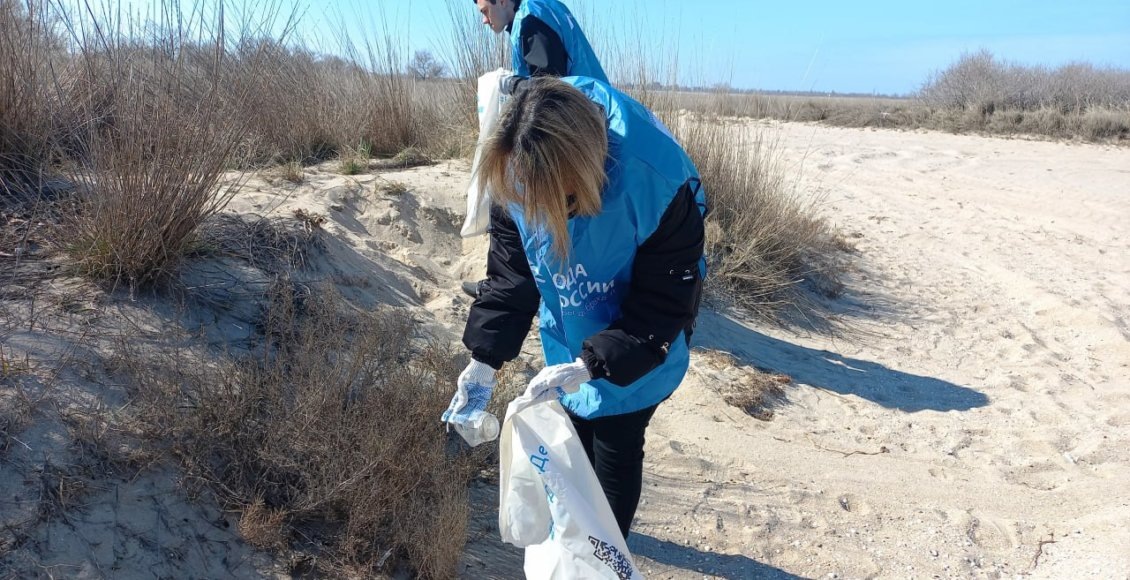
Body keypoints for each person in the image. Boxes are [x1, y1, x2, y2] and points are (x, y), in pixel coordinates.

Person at [443, 76, 707, 539]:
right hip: (570, 324)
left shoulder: (654, 181)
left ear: (584, 174)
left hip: (641, 343)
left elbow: (664, 306)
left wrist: (595, 362)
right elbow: (513, 278)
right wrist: (482, 363)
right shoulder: (515, 163)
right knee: (574, 433)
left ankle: (605, 555)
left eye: (556, 201)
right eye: (528, 199)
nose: (537, 212)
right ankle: (576, 543)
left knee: (617, 442)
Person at [463, 0, 609, 298]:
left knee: (507, 198)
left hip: (572, 137)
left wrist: (511, 84)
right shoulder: (542, 9)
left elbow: (548, 93)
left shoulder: (532, 24)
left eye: (483, 11)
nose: (483, 20)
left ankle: (506, 289)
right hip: (589, 126)